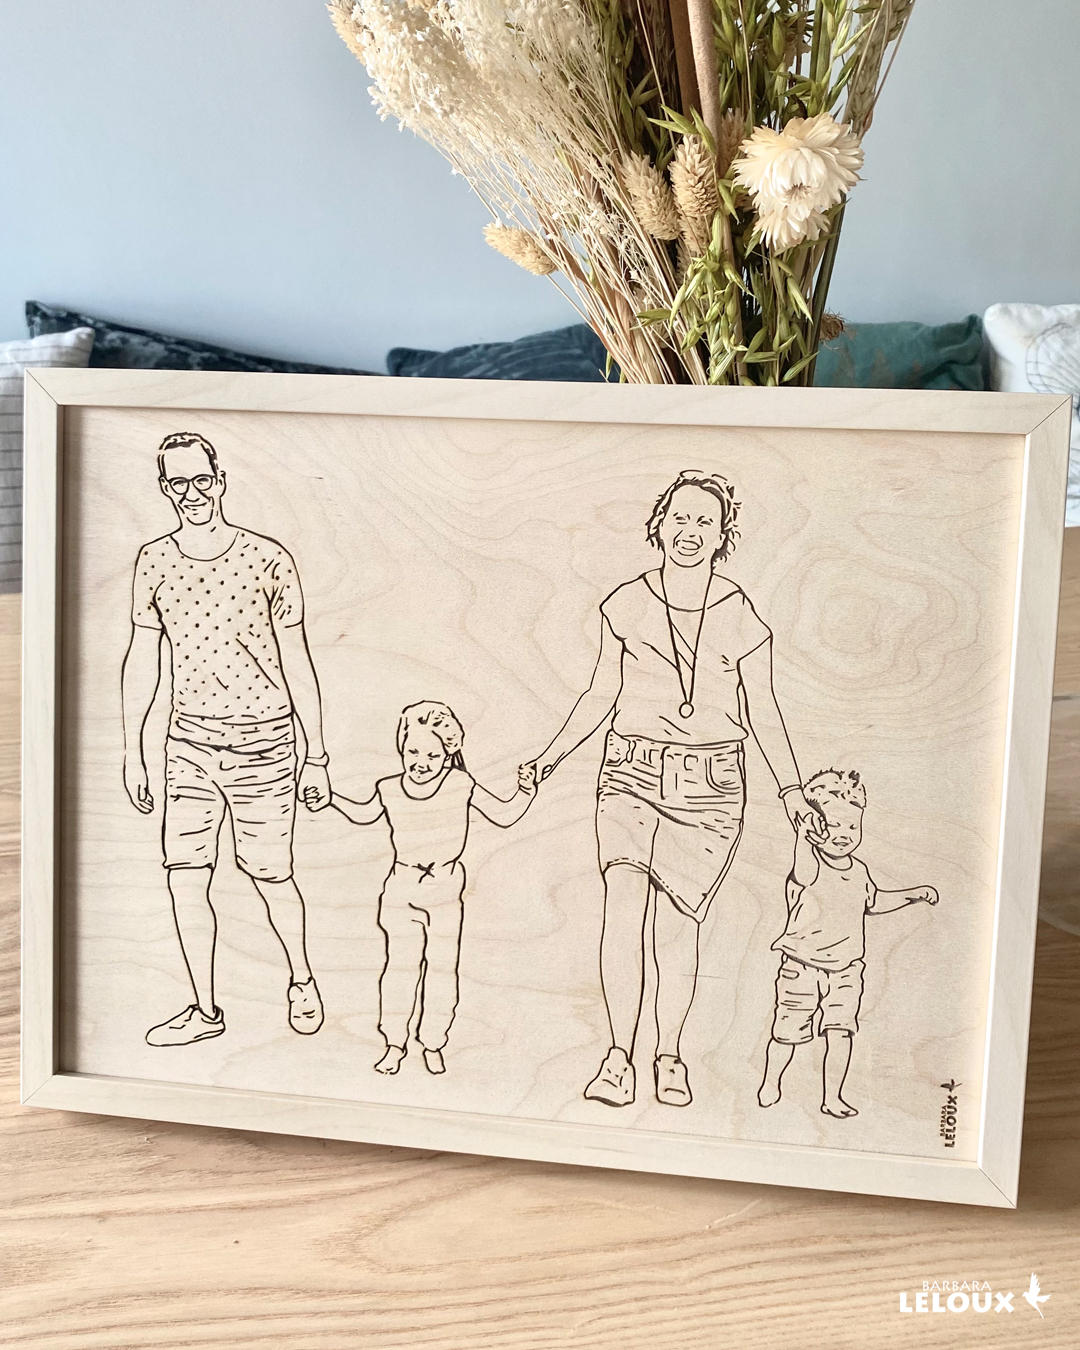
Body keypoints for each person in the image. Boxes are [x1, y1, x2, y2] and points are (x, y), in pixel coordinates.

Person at [529, 469, 814, 1108]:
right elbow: (600, 693)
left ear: (722, 537)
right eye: (679, 518)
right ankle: (617, 1059)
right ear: (659, 527)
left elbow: (763, 707)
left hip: (712, 785)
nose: (690, 531)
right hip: (629, 772)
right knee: (623, 908)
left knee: (679, 927)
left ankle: (669, 1057)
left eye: (705, 522)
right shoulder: (626, 604)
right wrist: (549, 759)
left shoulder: (740, 614)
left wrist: (792, 790)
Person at [122, 431, 331, 1046]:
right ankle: (204, 1010)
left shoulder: (268, 559)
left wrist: (317, 755)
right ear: (164, 488)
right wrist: (133, 751)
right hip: (187, 744)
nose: (192, 493)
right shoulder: (153, 560)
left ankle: (302, 979)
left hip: (265, 745)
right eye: (178, 483)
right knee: (184, 874)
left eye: (201, 480)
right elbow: (142, 658)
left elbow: (297, 660)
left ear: (220, 479)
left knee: (271, 874)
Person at [318, 701, 536, 1075]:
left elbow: (504, 814)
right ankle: (394, 1044)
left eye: (432, 755)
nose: (420, 762)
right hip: (401, 889)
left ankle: (433, 1042)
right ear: (401, 747)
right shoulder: (388, 787)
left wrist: (525, 790)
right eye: (412, 751)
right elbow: (364, 813)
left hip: (446, 890)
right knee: (400, 969)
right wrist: (330, 798)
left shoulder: (460, 784)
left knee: (442, 970)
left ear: (448, 754)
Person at [757, 768, 939, 1117]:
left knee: (840, 1032)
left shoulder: (859, 870)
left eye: (852, 826)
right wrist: (803, 837)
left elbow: (874, 901)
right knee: (787, 1034)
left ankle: (832, 1098)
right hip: (801, 968)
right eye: (833, 825)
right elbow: (804, 870)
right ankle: (770, 1082)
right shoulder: (808, 864)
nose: (843, 834)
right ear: (813, 824)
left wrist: (913, 895)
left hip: (846, 971)